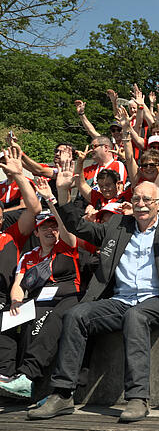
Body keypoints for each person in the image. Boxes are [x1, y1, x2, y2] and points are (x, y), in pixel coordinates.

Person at [28, 173, 159, 423]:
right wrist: (57, 196)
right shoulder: (118, 225)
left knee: (136, 316)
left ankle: (137, 398)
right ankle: (62, 394)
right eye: (136, 198)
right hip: (120, 300)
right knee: (76, 315)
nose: (141, 203)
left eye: (147, 199)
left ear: (158, 204)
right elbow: (80, 227)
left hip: (157, 299)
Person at [0, 175, 79, 399]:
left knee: (44, 318)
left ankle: (27, 376)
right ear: (36, 232)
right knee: (7, 317)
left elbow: (66, 227)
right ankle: (6, 376)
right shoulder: (29, 256)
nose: (50, 231)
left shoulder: (66, 246)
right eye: (45, 228)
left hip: (67, 297)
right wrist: (15, 301)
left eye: (53, 227)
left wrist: (52, 202)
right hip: (37, 300)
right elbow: (17, 285)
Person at [0, 147, 43, 379]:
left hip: (6, 301)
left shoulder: (11, 236)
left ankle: (5, 380)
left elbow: (35, 208)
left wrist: (18, 175)